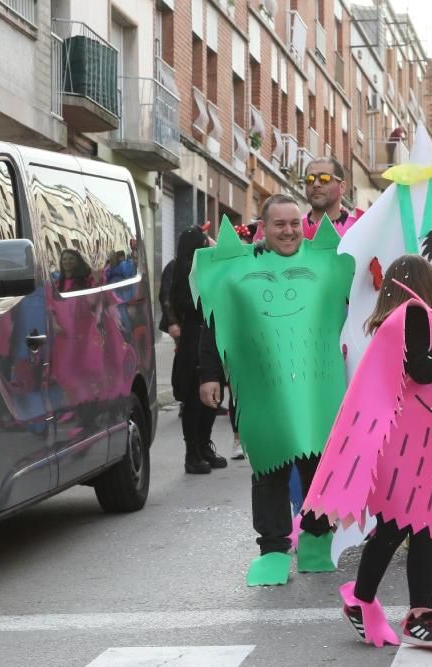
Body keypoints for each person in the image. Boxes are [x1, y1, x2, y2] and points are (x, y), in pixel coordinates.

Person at [302, 255, 432, 651]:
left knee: (401, 526)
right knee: (418, 526)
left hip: (407, 439)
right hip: (408, 446)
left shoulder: (396, 321)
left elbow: (409, 377)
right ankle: (416, 614)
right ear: (424, 286)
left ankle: (371, 602)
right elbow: (421, 369)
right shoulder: (415, 313)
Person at [198, 194, 350, 577]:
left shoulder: (324, 266)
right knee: (269, 469)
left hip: (316, 391)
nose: (288, 231)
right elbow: (215, 323)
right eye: (279, 225)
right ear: (263, 228)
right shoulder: (239, 271)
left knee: (318, 468)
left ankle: (317, 542)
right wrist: (209, 374)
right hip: (263, 391)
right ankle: (273, 549)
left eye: (294, 224)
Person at [170, 227, 226, 474]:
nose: (209, 242)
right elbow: (181, 304)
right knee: (195, 399)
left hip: (211, 334)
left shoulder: (209, 267)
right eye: (204, 240)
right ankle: (192, 452)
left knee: (213, 398)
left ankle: (204, 445)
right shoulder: (182, 271)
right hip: (194, 338)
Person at [302, 157, 363, 240]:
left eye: (324, 178)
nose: (316, 184)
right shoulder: (294, 230)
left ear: (342, 187)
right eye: (310, 179)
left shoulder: (358, 229)